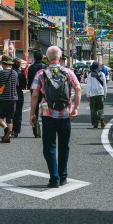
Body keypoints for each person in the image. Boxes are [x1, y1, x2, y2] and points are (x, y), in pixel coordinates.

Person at [30, 46, 81, 188]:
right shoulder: (68, 72)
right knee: (64, 146)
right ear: (59, 57)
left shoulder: (41, 73)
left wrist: (32, 114)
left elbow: (35, 95)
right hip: (65, 114)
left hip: (48, 114)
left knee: (49, 147)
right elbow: (78, 88)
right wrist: (76, 108)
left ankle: (54, 178)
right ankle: (63, 176)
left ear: (47, 58)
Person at [0, 55, 18, 143]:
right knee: (9, 118)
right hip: (13, 98)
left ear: (3, 64)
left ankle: (6, 129)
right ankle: (8, 137)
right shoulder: (15, 73)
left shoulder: (0, 73)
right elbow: (16, 85)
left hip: (2, 98)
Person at [27, 51, 46, 138]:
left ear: (34, 58)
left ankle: (36, 132)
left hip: (34, 89)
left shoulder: (31, 67)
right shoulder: (45, 67)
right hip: (44, 90)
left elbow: (29, 80)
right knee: (46, 109)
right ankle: (46, 129)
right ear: (42, 57)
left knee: (35, 110)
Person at [86, 61, 107, 129]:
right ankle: (102, 122)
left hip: (92, 95)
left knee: (93, 110)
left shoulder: (90, 75)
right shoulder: (102, 74)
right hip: (100, 93)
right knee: (101, 109)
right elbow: (104, 85)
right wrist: (105, 94)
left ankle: (95, 124)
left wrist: (87, 95)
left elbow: (88, 86)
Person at [12, 59, 26, 138]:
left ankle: (11, 129)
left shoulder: (10, 73)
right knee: (18, 113)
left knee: (10, 113)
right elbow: (24, 86)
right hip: (19, 94)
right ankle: (17, 130)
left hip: (10, 95)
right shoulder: (21, 74)